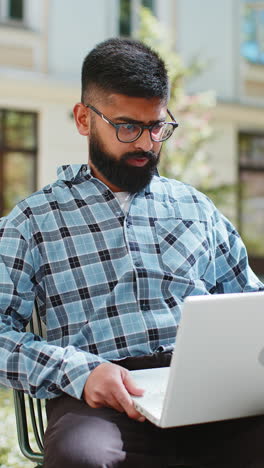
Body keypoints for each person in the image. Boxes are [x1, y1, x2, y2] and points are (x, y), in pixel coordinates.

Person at [0, 37, 264, 468]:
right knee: (81, 459)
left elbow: (254, 306)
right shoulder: (33, 220)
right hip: (99, 403)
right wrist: (79, 372)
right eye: (127, 127)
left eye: (157, 127)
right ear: (84, 119)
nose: (146, 143)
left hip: (209, 395)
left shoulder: (196, 209)